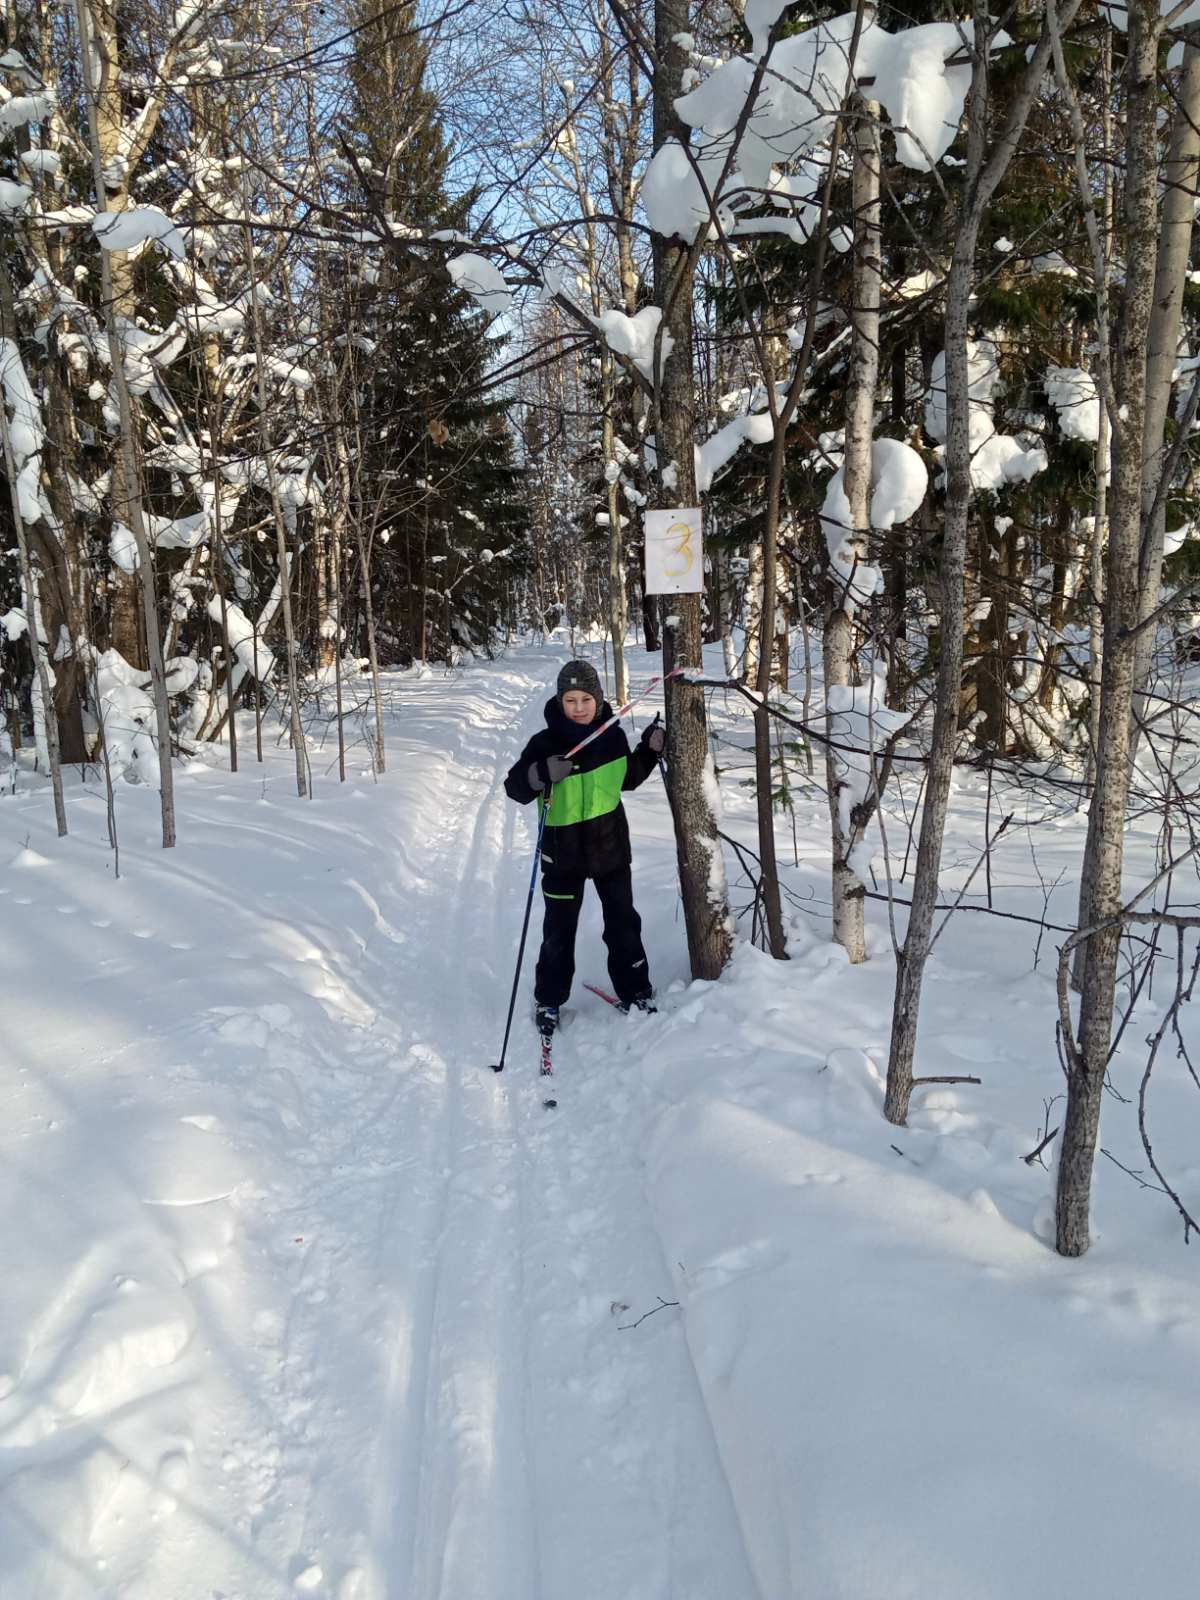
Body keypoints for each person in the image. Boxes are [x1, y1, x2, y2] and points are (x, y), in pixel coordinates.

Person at [504, 659, 666, 1037]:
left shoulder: (610, 737)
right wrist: (540, 773)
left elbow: (627, 778)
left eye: (585, 699)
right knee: (558, 932)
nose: (578, 707)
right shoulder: (545, 743)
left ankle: (636, 990)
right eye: (571, 700)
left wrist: (650, 749)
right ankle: (548, 999)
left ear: (598, 699)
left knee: (623, 923)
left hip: (610, 851)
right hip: (562, 858)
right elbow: (515, 788)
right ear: (560, 701)